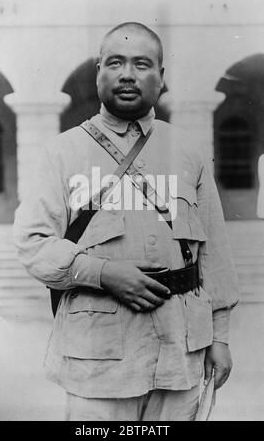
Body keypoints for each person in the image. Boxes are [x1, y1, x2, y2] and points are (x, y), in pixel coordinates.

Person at [13, 22, 239, 421]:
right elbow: (33, 242)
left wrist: (219, 338)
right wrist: (102, 273)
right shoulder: (61, 152)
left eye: (142, 64)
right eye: (115, 62)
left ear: (161, 77)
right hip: (98, 360)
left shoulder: (189, 150)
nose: (128, 74)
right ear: (98, 71)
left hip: (179, 352)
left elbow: (214, 253)